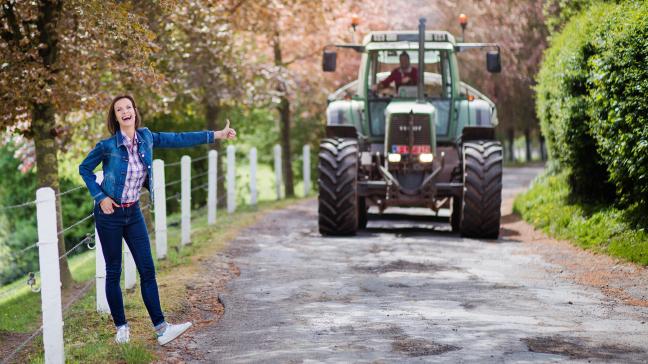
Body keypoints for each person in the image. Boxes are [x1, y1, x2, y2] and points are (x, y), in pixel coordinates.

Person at [79, 95, 236, 345]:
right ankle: (121, 328)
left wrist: (216, 134)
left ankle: (162, 329)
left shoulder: (147, 138)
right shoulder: (107, 145)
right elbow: (84, 169)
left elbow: (179, 139)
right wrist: (100, 197)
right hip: (109, 215)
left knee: (147, 269)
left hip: (133, 213)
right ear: (115, 116)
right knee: (113, 271)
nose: (125, 112)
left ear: (134, 111)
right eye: (119, 109)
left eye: (128, 107)